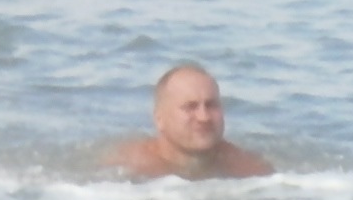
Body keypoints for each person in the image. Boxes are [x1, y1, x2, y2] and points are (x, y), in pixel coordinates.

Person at [111, 62, 272, 179]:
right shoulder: (129, 168)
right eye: (190, 107)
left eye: (211, 105)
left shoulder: (248, 169)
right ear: (159, 119)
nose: (204, 117)